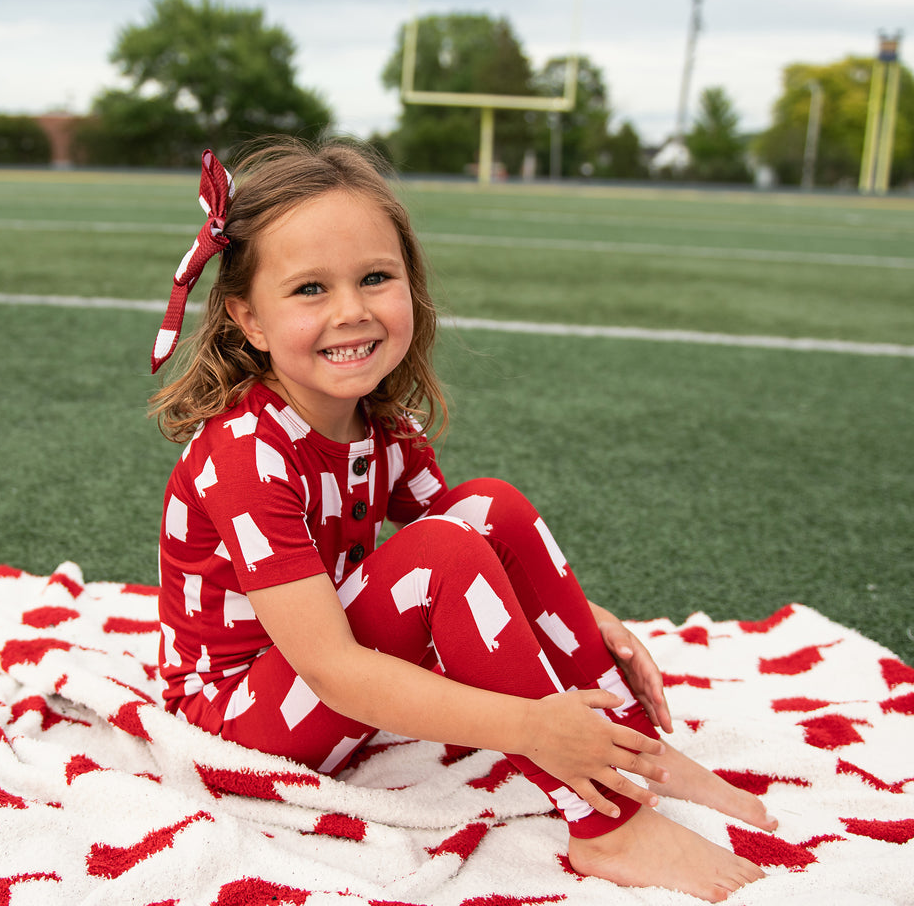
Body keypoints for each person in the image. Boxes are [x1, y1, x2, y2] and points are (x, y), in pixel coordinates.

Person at [150, 139, 777, 903]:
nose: (351, 310)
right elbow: (335, 667)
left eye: (375, 278)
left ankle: (632, 752)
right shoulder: (247, 456)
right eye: (310, 288)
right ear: (248, 317)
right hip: (242, 715)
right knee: (445, 551)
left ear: (410, 288)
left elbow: (483, 540)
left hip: (320, 680)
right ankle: (604, 825)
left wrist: (584, 618)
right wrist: (527, 727)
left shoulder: (382, 426)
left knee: (489, 503)